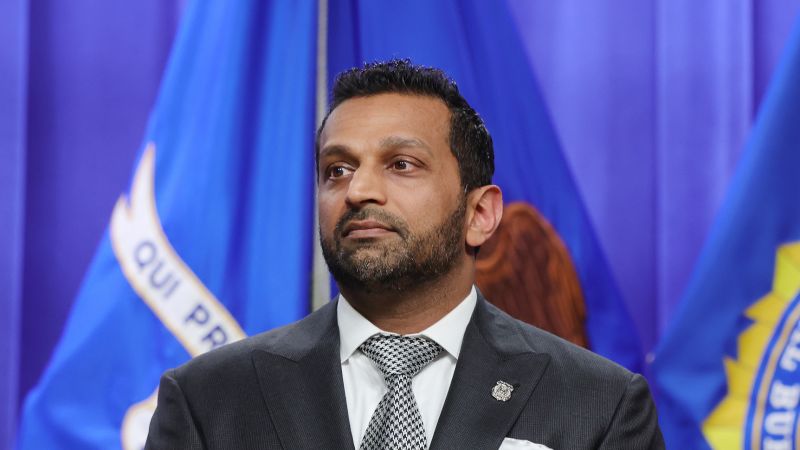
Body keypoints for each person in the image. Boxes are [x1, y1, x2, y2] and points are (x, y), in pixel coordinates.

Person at [145, 59, 664, 450]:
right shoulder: (207, 400)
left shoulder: (599, 405)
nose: (358, 191)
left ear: (480, 214)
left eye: (401, 164)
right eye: (337, 170)